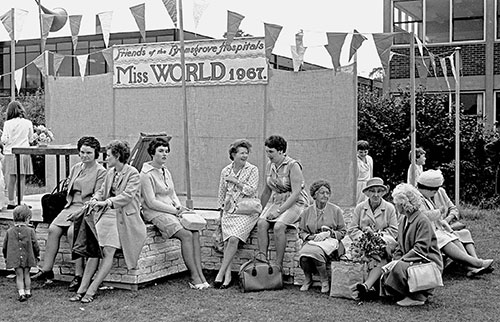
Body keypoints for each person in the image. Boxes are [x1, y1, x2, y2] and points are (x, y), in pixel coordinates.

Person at [70, 140, 147, 303]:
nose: (106, 159)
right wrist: (95, 199)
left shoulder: (133, 173)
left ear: (117, 156)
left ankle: (92, 289)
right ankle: (82, 288)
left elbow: (127, 196)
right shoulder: (110, 172)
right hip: (107, 215)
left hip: (124, 218)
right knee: (93, 250)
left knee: (108, 252)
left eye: (109, 155)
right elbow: (100, 191)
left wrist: (106, 202)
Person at [33, 136, 106, 292]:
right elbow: (69, 190)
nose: (85, 155)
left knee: (74, 232)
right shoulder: (76, 168)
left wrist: (83, 210)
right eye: (82, 152)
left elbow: (99, 194)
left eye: (89, 152)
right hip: (71, 205)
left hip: (87, 208)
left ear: (96, 153)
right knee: (53, 229)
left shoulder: (101, 172)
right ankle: (47, 269)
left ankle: (78, 275)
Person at [140, 138, 209, 290]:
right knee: (186, 235)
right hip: (155, 213)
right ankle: (193, 276)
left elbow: (172, 194)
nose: (164, 154)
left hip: (171, 211)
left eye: (166, 151)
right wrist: (176, 211)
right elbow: (151, 202)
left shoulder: (165, 170)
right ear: (152, 153)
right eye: (160, 151)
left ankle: (200, 274)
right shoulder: (145, 174)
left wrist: (180, 207)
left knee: (195, 232)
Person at [417, 170, 493, 277]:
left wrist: (446, 220)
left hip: (439, 227)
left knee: (453, 237)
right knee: (446, 238)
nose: (436, 192)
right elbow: (425, 217)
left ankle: (473, 265)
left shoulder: (434, 194)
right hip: (427, 232)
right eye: (435, 190)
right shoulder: (417, 199)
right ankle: (476, 263)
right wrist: (440, 215)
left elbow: (452, 209)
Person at [381, 183, 443, 306]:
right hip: (412, 259)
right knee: (390, 265)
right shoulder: (403, 219)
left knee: (399, 267)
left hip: (427, 261)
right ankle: (402, 293)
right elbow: (399, 245)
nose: (395, 204)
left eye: (396, 202)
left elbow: (421, 249)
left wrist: (400, 261)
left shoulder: (422, 220)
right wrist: (395, 258)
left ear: (403, 204)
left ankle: (418, 297)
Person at [257, 135, 310, 269]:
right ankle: (263, 261)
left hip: (296, 202)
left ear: (281, 151)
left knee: (279, 226)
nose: (268, 155)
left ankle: (278, 266)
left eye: (271, 152)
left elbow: (296, 193)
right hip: (278, 200)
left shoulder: (293, 165)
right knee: (261, 223)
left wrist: (278, 212)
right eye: (267, 151)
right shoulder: (270, 165)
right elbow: (267, 191)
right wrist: (258, 210)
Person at [213, 139, 259, 289]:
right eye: (241, 153)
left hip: (246, 211)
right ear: (233, 154)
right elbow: (221, 192)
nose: (245, 156)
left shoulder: (252, 169)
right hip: (229, 210)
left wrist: (236, 182)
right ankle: (227, 276)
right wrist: (221, 212)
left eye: (246, 153)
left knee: (233, 239)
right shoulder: (225, 170)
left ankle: (220, 274)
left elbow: (251, 190)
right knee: (227, 241)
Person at [348, 177, 398, 298]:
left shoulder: (389, 208)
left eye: (379, 191)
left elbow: (394, 231)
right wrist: (365, 237)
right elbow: (352, 229)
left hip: (383, 243)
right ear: (367, 193)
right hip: (363, 243)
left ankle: (366, 286)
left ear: (383, 192)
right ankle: (367, 286)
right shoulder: (360, 208)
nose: (376, 194)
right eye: (372, 191)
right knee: (367, 255)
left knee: (380, 254)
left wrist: (376, 237)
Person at [298, 180, 346, 294]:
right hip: (312, 242)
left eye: (327, 193)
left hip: (330, 243)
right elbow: (301, 232)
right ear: (314, 195)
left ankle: (324, 281)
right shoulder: (306, 212)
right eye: (322, 193)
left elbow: (343, 232)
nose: (325, 195)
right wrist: (311, 237)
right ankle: (308, 279)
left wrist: (330, 233)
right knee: (303, 256)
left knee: (316, 253)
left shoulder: (336, 210)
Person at [2, 204, 40, 302]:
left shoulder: (9, 231)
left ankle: (21, 293)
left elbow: (5, 246)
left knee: (19, 275)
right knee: (27, 274)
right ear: (27, 218)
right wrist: (37, 254)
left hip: (15, 258)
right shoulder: (30, 231)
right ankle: (28, 291)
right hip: (28, 257)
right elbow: (35, 244)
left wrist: (6, 256)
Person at [1, 101, 34, 209]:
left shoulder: (7, 124)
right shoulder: (28, 123)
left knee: (11, 179)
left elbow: (5, 139)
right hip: (24, 152)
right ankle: (20, 201)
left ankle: (11, 202)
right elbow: (31, 138)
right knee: (21, 178)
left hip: (10, 152)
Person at [356, 140, 373, 204]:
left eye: (365, 152)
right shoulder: (355, 161)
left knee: (367, 202)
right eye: (361, 152)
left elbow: (371, 173)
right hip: (358, 184)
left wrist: (371, 184)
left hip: (367, 184)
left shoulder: (369, 159)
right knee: (358, 202)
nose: (363, 154)